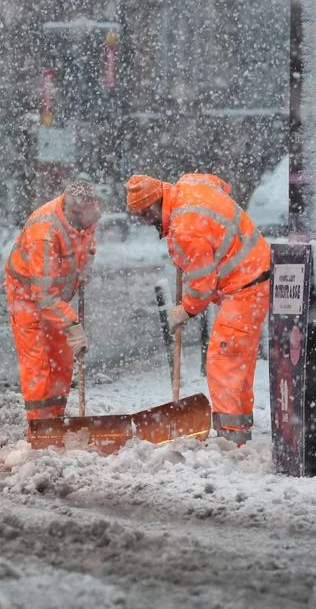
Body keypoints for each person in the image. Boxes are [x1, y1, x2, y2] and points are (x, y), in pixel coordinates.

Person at [126, 173, 271, 444]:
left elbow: (202, 285)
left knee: (224, 359)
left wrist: (185, 311)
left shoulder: (185, 228)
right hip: (252, 269)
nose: (147, 222)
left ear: (155, 204)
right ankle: (237, 430)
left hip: (245, 284)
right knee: (236, 359)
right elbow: (221, 185)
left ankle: (232, 439)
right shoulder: (190, 184)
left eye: (146, 216)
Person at [4, 181, 100, 440]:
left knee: (62, 360)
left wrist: (88, 261)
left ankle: (57, 422)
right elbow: (43, 296)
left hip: (57, 298)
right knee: (38, 366)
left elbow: (89, 239)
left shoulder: (87, 215)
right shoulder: (44, 231)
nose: (93, 221)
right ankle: (40, 431)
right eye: (88, 218)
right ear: (75, 212)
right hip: (28, 296)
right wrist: (72, 325)